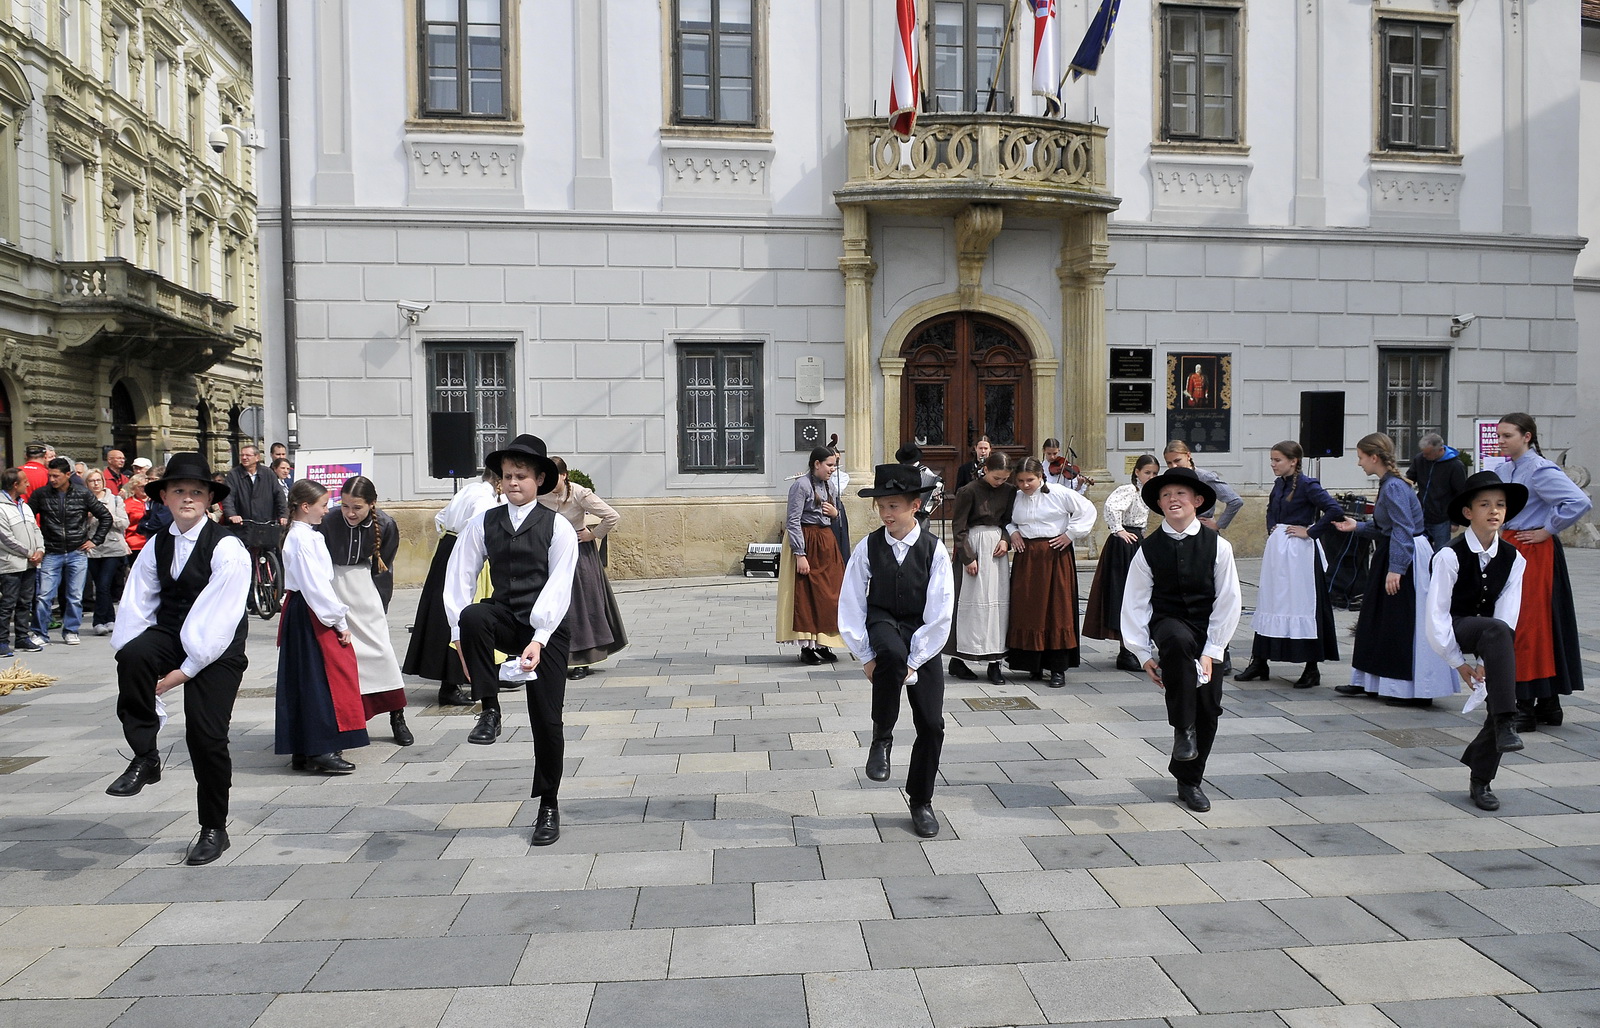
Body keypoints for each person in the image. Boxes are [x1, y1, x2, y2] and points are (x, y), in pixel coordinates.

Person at [106, 453, 250, 865]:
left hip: (217, 648)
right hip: (173, 633)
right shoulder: (157, 543)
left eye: (196, 492)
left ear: (209, 500)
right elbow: (138, 604)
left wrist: (179, 675)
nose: (187, 498)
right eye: (179, 491)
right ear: (164, 497)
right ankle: (146, 756)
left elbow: (218, 621)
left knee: (205, 737)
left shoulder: (228, 548)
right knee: (132, 655)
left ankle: (214, 827)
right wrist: (136, 660)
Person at [445, 434, 577, 846]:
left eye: (521, 475)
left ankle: (548, 805)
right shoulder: (483, 522)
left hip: (546, 630)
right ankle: (490, 709)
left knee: (547, 721)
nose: (513, 483)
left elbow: (559, 586)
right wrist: (459, 639)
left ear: (540, 479)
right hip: (504, 616)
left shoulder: (557, 527)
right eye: (506, 476)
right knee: (472, 614)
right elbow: (460, 578)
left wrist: (538, 639)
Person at [838, 463, 956, 838]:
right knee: (888, 653)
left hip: (922, 631)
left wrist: (917, 661)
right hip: (884, 621)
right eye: (882, 507)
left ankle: (921, 800)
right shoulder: (869, 546)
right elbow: (852, 599)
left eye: (893, 506)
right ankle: (882, 737)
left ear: (914, 505)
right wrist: (865, 654)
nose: (886, 514)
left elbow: (941, 613)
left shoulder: (934, 550)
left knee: (933, 725)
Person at [1120, 466, 1243, 813]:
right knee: (1174, 640)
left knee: (1209, 708)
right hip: (1169, 622)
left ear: (1198, 501)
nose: (1173, 499)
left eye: (1180, 494)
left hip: (1209, 628)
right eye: (1165, 495)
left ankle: (1189, 780)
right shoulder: (1148, 549)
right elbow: (1135, 602)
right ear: (1158, 504)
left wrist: (1213, 650)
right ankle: (1181, 728)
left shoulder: (1219, 546)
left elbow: (1229, 600)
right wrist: (1143, 654)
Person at [1426, 471, 1528, 812]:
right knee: (1496, 634)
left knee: (1501, 691)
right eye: (1484, 504)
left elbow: (1507, 614)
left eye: (1500, 504)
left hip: (1493, 633)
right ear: (1468, 512)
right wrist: (1460, 663)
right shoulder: (1449, 556)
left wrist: (1486, 662)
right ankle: (1506, 721)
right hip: (1457, 626)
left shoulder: (1515, 558)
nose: (1494, 511)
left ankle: (1482, 776)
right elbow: (1436, 615)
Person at [1333, 433, 1455, 706]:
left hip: (1405, 556)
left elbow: (1403, 528)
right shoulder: (1389, 484)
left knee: (1402, 621)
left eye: (1361, 457)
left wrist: (1397, 568)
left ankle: (1409, 689)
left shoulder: (1394, 487)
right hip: (1394, 551)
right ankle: (1371, 680)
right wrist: (1358, 527)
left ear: (1374, 457)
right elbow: (1387, 527)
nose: (1359, 463)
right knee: (1378, 620)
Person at [1494, 412, 1593, 731]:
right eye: (1500, 435)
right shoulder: (1504, 468)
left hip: (1533, 550)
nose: (1501, 441)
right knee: (1519, 621)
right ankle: (1548, 703)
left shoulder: (1539, 469)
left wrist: (1548, 529)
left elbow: (1578, 501)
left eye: (1507, 435)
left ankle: (1526, 703)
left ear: (1527, 436)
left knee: (1528, 624)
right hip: (1511, 546)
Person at [1234, 441, 1345, 689]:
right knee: (1270, 601)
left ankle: (1311, 667)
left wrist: (1311, 531)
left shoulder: (1308, 485)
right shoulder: (1279, 484)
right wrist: (1273, 528)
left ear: (1293, 461)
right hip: (1279, 552)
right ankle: (1260, 660)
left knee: (1303, 603)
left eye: (1277, 460)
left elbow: (1334, 510)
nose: (1273, 464)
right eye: (1272, 460)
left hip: (1300, 554)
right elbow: (1270, 510)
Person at [277, 479, 365, 773]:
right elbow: (316, 586)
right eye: (323, 505)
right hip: (311, 612)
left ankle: (305, 748)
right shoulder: (301, 539)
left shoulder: (303, 535)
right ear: (305, 507)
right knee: (320, 679)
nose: (327, 511)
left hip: (305, 610)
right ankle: (321, 746)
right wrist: (339, 621)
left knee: (306, 678)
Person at [320, 475, 410, 747]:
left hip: (364, 589)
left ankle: (398, 716)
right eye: (345, 505)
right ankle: (345, 720)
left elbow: (383, 567)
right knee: (341, 658)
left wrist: (380, 605)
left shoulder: (386, 524)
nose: (349, 513)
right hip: (331, 586)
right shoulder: (328, 521)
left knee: (380, 651)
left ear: (371, 504)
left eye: (357, 507)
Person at [403, 468, 502, 706]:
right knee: (462, 613)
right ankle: (450, 684)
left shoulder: (468, 489)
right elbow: (478, 528)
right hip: (465, 553)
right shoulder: (485, 499)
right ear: (498, 482)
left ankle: (464, 676)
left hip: (447, 546)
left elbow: (440, 517)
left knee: (442, 612)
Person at [1005, 456, 1097, 687]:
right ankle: (1032, 665)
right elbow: (1007, 520)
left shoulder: (1059, 493)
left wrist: (1071, 534)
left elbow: (1087, 510)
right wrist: (1012, 532)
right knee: (1028, 609)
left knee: (1057, 609)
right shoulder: (1016, 498)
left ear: (1041, 476)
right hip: (1027, 558)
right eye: (1021, 481)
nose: (1025, 485)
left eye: (1030, 480)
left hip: (1055, 554)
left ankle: (1057, 668)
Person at [539, 457, 627, 678]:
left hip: (578, 554)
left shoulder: (579, 493)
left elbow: (611, 516)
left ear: (564, 475)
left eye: (553, 477)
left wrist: (592, 534)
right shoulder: (539, 493)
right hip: (550, 553)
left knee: (581, 605)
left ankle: (582, 660)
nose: (548, 481)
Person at [1084, 455, 1161, 672]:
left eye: (1155, 473)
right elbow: (1111, 507)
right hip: (1124, 547)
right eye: (1147, 472)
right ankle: (1125, 651)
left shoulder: (1147, 493)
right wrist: (1119, 530)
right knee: (1123, 594)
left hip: (1136, 543)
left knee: (1139, 595)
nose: (1151, 476)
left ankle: (1134, 648)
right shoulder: (1129, 490)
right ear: (1136, 472)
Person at [946, 451, 1016, 685]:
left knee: (997, 604)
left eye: (1004, 478)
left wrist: (1005, 539)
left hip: (996, 550)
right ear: (985, 470)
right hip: (974, 547)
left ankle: (995, 661)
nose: (1000, 482)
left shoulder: (1009, 491)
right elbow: (959, 527)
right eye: (997, 478)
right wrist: (968, 557)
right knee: (971, 603)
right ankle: (960, 657)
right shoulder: (968, 491)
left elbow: (1008, 521)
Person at [29, 457, 111, 645]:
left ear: (68, 475)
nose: (52, 479)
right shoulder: (41, 494)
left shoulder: (83, 493)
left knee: (74, 595)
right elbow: (28, 518)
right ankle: (40, 633)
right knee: (44, 595)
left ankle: (71, 630)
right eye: (50, 475)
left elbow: (105, 516)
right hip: (51, 550)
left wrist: (94, 541)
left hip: (77, 551)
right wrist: (37, 544)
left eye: (56, 476)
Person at [777, 446, 846, 665]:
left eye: (835, 465)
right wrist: (800, 554)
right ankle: (807, 647)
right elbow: (793, 521)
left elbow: (836, 513)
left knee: (830, 594)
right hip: (807, 541)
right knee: (807, 596)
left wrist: (835, 514)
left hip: (826, 542)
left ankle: (824, 643)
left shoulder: (830, 485)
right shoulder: (801, 486)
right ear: (816, 464)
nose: (833, 469)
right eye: (829, 465)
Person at [0, 469, 45, 657]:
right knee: (7, 603)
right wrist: (28, 553)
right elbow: (5, 538)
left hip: (30, 563)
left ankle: (22, 637)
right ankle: (2, 641)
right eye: (24, 482)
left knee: (25, 602)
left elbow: (35, 529)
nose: (28, 484)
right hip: (11, 563)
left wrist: (40, 550)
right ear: (15, 485)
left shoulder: (24, 505)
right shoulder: (1, 507)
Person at [84, 469, 131, 636]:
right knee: (101, 586)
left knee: (104, 585)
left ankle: (98, 621)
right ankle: (110, 618)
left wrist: (108, 516)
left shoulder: (115, 500)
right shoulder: (84, 500)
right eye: (91, 481)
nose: (96, 483)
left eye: (98, 480)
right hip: (92, 548)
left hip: (113, 547)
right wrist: (88, 517)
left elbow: (124, 523)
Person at [1407, 432, 1468, 550]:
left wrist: (1455, 521)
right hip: (1420, 515)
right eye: (1423, 452)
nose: (1424, 456)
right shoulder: (1420, 459)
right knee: (1419, 550)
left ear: (1440, 450)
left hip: (1442, 518)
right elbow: (1410, 478)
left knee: (1441, 551)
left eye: (1428, 453)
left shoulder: (1455, 465)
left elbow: (1460, 493)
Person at [221, 443, 288, 546]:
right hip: (243, 524)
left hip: (265, 523)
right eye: (242, 455)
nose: (244, 458)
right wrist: (232, 515)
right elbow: (228, 497)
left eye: (248, 455)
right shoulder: (234, 474)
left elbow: (279, 496)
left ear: (257, 457)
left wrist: (283, 515)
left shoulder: (268, 474)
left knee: (269, 551)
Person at [894, 442, 944, 522]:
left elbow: (937, 487)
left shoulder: (926, 472)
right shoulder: (899, 471)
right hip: (902, 511)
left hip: (920, 514)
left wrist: (935, 496)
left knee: (921, 533)